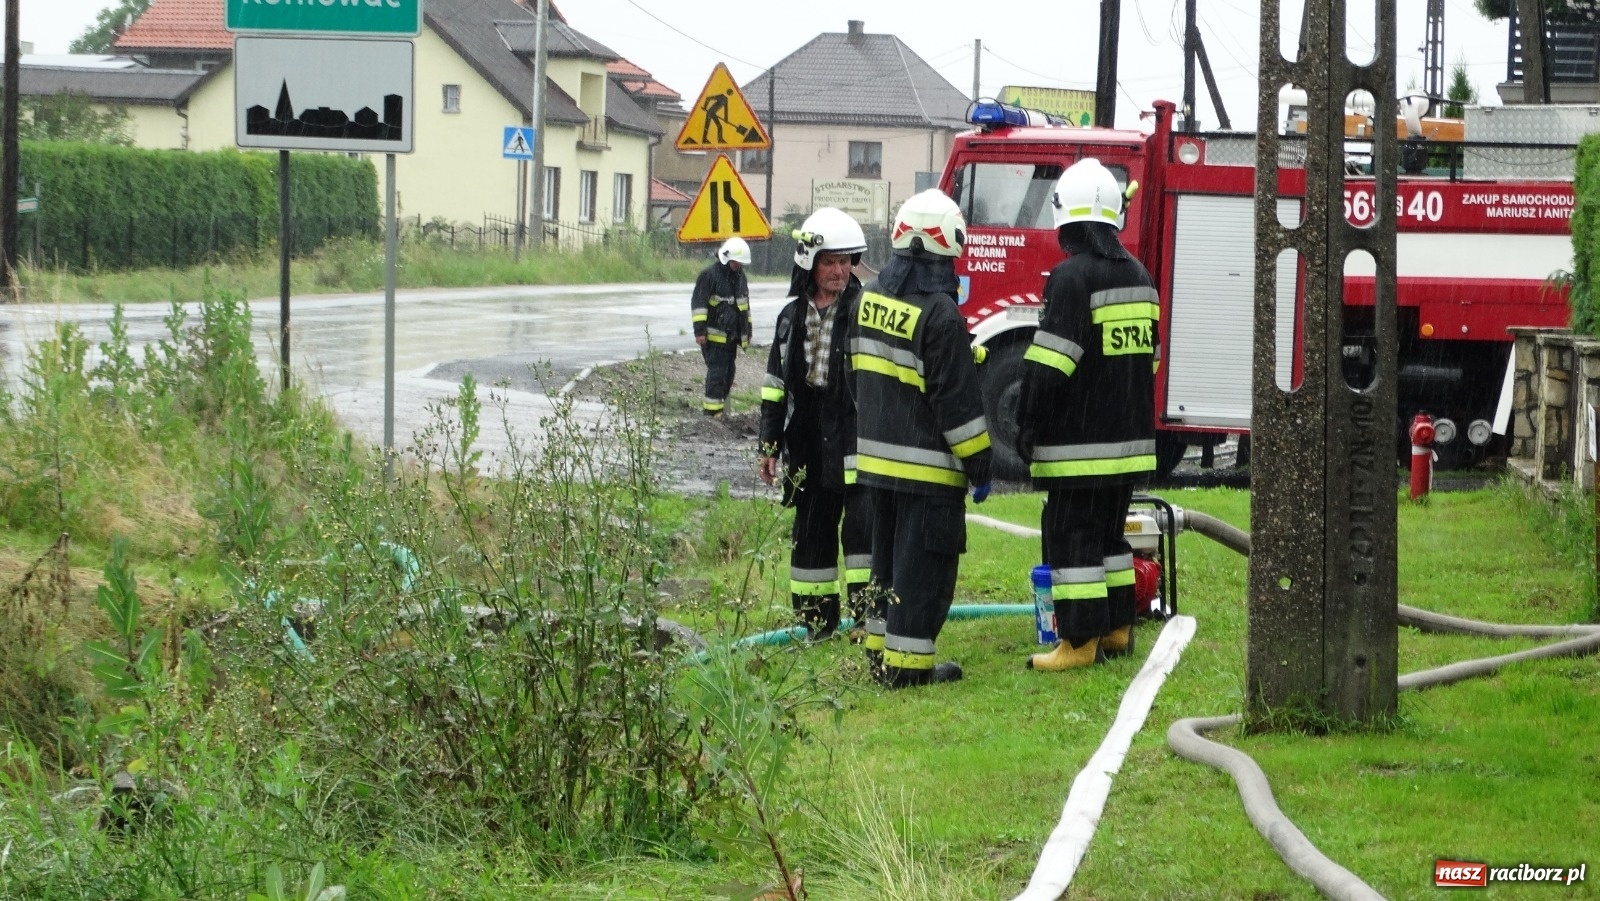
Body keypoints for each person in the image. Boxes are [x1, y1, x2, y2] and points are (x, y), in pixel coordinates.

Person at [1015, 158, 1159, 671]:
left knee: (1072, 540)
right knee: (1110, 540)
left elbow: (1050, 365)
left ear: (1067, 220)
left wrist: (1025, 421)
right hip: (1128, 445)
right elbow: (1150, 359)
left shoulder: (1071, 279)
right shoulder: (1139, 275)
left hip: (1078, 449)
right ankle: (1117, 630)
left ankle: (1076, 644)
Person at [851, 189, 992, 688]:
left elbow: (860, 379)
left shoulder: (867, 299)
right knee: (922, 575)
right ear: (948, 245)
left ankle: (877, 656)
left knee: (884, 567)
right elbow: (959, 409)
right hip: (930, 474)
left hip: (876, 469)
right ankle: (908, 671)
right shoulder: (941, 315)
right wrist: (981, 467)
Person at [758, 208, 872, 640]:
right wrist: (769, 447)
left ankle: (866, 622)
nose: (839, 270)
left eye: (846, 261)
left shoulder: (865, 311)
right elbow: (773, 389)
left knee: (863, 534)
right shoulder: (790, 318)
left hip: (852, 432)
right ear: (809, 262)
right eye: (830, 261)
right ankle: (815, 623)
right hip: (805, 437)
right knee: (810, 535)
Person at [691, 237, 753, 417]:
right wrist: (700, 331)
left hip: (731, 338)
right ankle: (711, 416)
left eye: (740, 263)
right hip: (713, 338)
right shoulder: (709, 275)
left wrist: (747, 332)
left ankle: (719, 413)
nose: (738, 266)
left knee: (728, 375)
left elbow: (745, 307)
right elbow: (699, 305)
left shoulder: (740, 277)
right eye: (736, 262)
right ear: (726, 258)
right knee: (717, 376)